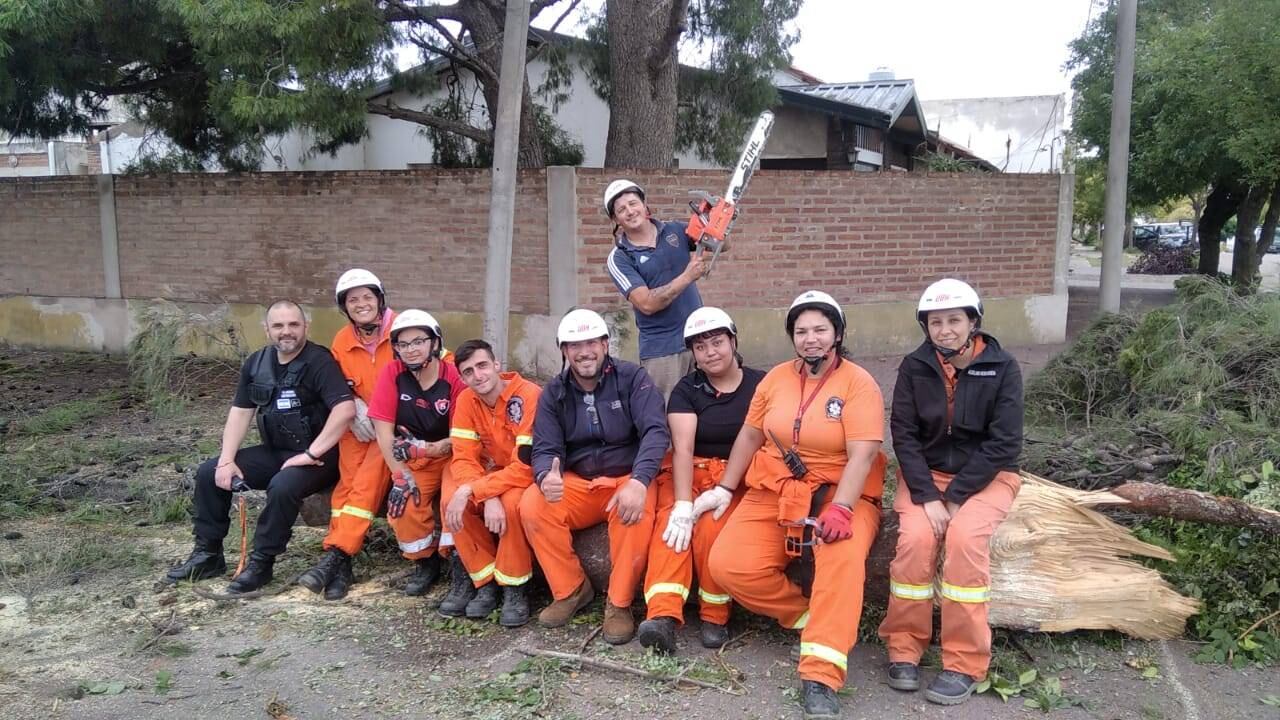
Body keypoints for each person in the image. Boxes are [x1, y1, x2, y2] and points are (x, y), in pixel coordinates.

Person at [709, 290, 887, 720]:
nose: (811, 339)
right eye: (802, 331)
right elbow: (750, 436)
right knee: (728, 565)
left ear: (838, 333)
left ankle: (821, 674)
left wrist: (842, 508)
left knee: (840, 558)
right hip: (776, 487)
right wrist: (725, 489)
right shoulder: (774, 380)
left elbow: (863, 454)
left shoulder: (858, 383)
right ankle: (809, 617)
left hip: (838, 491)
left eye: (820, 330)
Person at [878, 279, 1023, 706]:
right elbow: (903, 435)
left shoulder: (1002, 366)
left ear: (973, 322)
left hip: (988, 477)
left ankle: (964, 662)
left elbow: (1004, 443)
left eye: (954, 321)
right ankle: (904, 649)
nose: (945, 330)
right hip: (925, 477)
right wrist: (926, 495)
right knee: (916, 542)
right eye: (935, 322)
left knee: (963, 540)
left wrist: (956, 497)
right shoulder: (915, 366)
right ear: (926, 327)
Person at [162, 301, 355, 593]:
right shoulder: (256, 362)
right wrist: (227, 460)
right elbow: (240, 412)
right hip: (276, 451)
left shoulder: (319, 362)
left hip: (320, 457)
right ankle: (208, 554)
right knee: (208, 472)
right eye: (278, 326)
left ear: (306, 327)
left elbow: (344, 410)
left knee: (283, 485)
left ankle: (261, 563)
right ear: (267, 329)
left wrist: (311, 454)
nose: (286, 332)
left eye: (293, 324)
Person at [520, 308, 669, 644]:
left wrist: (639, 480)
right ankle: (571, 589)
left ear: (605, 344)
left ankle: (619, 604)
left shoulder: (634, 379)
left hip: (626, 477)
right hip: (580, 482)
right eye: (574, 345)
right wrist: (545, 474)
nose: (584, 351)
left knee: (634, 516)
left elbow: (656, 432)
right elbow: (545, 446)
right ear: (564, 350)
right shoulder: (553, 393)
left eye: (591, 342)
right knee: (533, 504)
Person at [637, 307, 766, 653]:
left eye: (717, 342)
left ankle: (715, 613)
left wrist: (725, 486)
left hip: (737, 476)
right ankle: (663, 615)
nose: (710, 352)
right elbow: (682, 448)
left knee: (712, 525)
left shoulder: (761, 384)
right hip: (689, 471)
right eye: (700, 346)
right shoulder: (686, 389)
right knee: (671, 526)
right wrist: (681, 504)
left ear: (733, 341)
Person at [298, 269, 396, 601]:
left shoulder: (405, 328)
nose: (361, 304)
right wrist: (353, 404)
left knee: (367, 481)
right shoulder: (342, 340)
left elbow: (438, 366)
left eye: (367, 297)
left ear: (380, 299)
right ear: (344, 307)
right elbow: (336, 382)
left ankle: (336, 553)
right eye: (353, 300)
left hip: (394, 427)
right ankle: (344, 568)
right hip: (358, 425)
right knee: (347, 487)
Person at [438, 339, 541, 627]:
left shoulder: (529, 396)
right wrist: (482, 493)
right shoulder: (466, 401)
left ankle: (515, 587)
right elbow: (463, 457)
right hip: (486, 476)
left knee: (510, 506)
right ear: (462, 377)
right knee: (452, 502)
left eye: (482, 366)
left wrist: (481, 490)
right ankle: (484, 581)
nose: (477, 375)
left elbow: (527, 465)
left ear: (497, 365)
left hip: (521, 475)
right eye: (468, 372)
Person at [366, 310, 466, 595]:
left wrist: (430, 448)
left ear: (434, 343)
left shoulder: (453, 377)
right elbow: (383, 430)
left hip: (452, 456)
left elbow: (461, 437)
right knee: (406, 505)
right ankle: (425, 562)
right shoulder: (392, 374)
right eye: (403, 344)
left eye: (418, 341)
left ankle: (460, 564)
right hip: (412, 459)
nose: (411, 350)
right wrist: (400, 474)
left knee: (453, 502)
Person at [603, 179, 706, 401]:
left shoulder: (675, 230)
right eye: (621, 209)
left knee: (708, 410)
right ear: (615, 219)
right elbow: (647, 303)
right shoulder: (620, 257)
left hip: (700, 338)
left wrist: (715, 224)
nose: (630, 211)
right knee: (665, 415)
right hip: (662, 351)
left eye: (633, 203)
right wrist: (688, 276)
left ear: (644, 203)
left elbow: (723, 245)